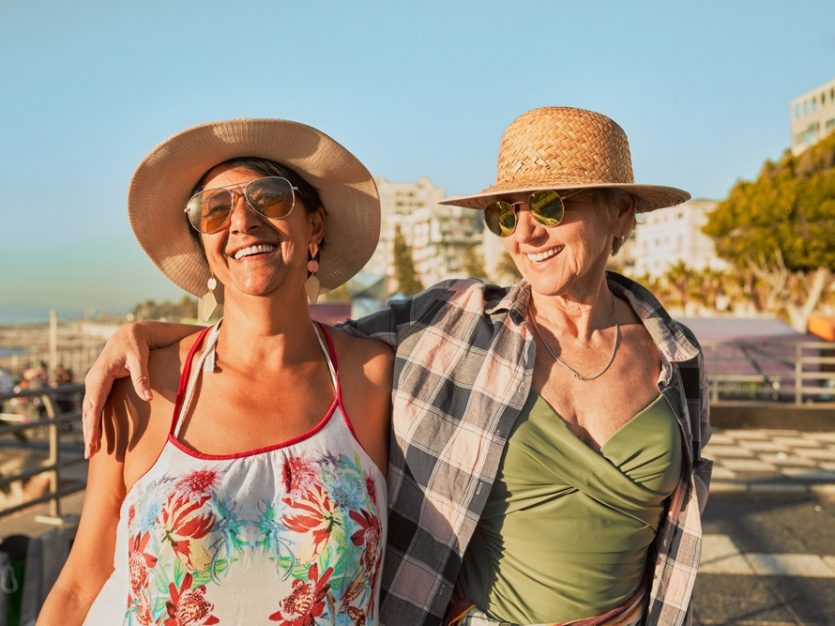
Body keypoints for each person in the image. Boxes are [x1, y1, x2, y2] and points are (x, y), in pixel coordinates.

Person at [82, 107, 712, 626]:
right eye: (506, 213)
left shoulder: (676, 358)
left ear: (622, 212)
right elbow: (278, 340)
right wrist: (150, 336)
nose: (527, 232)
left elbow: (673, 538)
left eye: (551, 205)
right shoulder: (455, 325)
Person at [40, 119, 393, 625]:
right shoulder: (142, 388)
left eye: (269, 199)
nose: (242, 223)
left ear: (314, 225)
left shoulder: (375, 379)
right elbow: (80, 583)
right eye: (215, 210)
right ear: (204, 244)